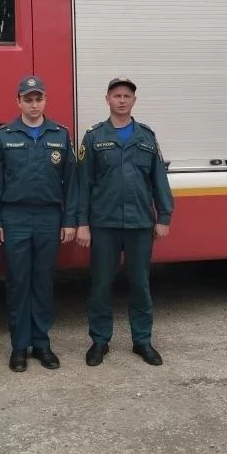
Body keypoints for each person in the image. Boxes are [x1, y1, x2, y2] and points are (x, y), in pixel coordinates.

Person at [76, 77, 173, 367]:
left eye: (126, 96)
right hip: (103, 224)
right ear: (107, 99)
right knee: (100, 285)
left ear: (134, 101)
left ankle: (142, 341)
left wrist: (164, 216)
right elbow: (83, 184)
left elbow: (158, 180)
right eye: (116, 95)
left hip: (139, 224)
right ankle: (99, 341)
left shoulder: (146, 137)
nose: (121, 100)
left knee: (140, 284)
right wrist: (82, 223)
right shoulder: (94, 137)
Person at [0, 76, 78, 372]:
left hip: (49, 217)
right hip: (15, 218)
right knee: (18, 283)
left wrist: (69, 220)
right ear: (18, 102)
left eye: (38, 99)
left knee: (43, 282)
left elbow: (71, 183)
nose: (34, 104)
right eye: (28, 99)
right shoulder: (4, 135)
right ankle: (19, 347)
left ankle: (41, 344)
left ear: (45, 100)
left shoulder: (60, 135)